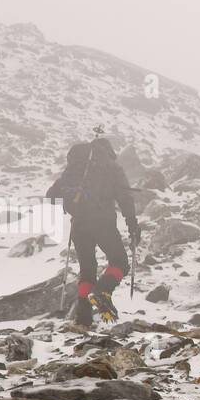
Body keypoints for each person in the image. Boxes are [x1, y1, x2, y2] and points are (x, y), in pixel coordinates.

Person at [46, 131, 140, 326]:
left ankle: (83, 318)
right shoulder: (111, 167)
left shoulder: (74, 169)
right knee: (120, 262)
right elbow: (125, 196)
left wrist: (73, 203)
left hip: (79, 225)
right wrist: (132, 223)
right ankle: (102, 291)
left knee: (87, 270)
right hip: (102, 221)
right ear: (108, 151)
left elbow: (51, 196)